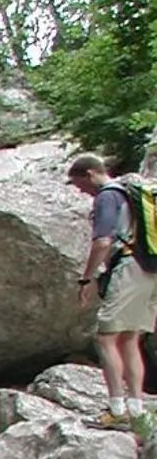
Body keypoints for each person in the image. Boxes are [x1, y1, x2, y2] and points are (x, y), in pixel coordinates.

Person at [67, 151, 157, 428]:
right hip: (150, 268)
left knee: (106, 339)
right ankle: (137, 410)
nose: (82, 191)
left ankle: (117, 410)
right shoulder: (131, 195)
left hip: (128, 267)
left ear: (91, 173)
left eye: (80, 184)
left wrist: (87, 278)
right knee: (129, 339)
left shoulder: (107, 196)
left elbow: (103, 241)